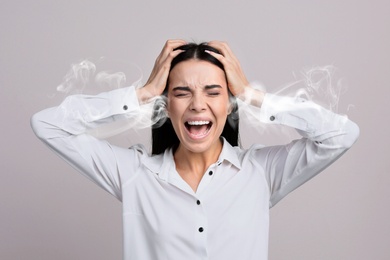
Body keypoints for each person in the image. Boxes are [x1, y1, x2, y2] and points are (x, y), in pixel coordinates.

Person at [31, 40, 359, 260]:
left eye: (213, 92)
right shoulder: (135, 175)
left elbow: (340, 135)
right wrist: (143, 93)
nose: (198, 104)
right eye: (182, 92)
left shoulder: (259, 172)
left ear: (229, 105)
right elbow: (49, 125)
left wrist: (250, 94)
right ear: (167, 104)